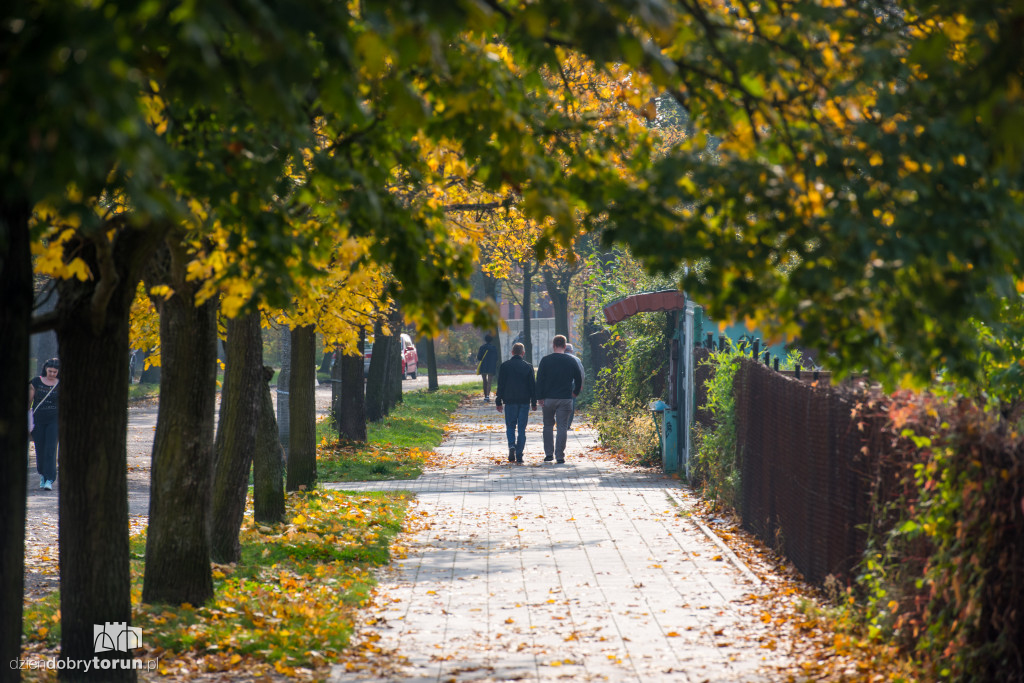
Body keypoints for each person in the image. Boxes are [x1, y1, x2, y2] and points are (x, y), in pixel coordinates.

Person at [535, 335, 582, 464]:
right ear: (565, 346)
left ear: (553, 345)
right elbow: (578, 378)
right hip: (565, 398)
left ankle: (548, 454)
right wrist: (575, 392)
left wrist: (539, 397)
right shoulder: (571, 361)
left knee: (547, 425)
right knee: (562, 426)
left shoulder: (545, 360)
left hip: (548, 398)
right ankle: (560, 455)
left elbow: (539, 380)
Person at [494, 342, 537, 463]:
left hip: (510, 401)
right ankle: (519, 454)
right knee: (522, 428)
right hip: (524, 401)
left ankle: (511, 445)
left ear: (512, 352)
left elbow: (501, 385)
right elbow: (532, 386)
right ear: (523, 353)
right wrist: (534, 402)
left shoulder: (505, 366)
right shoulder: (528, 366)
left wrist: (498, 401)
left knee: (510, 426)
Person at [29, 358, 61, 491]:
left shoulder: (61, 383)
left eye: (55, 372)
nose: (52, 374)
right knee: (40, 448)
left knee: (51, 448)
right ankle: (42, 474)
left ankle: (49, 479)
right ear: (45, 370)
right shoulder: (36, 382)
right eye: (50, 371)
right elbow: (29, 401)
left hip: (55, 420)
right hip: (38, 419)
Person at [564, 343, 586, 430]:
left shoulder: (559, 358)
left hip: (561, 384)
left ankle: (561, 422)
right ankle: (568, 424)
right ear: (571, 351)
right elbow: (581, 373)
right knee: (571, 403)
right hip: (573, 383)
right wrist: (581, 385)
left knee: (560, 402)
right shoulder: (576, 359)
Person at [475, 334, 499, 402]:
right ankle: (488, 396)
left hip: (483, 366)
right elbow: (496, 358)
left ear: (485, 339)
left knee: (484, 381)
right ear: (491, 340)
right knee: (489, 382)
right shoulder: (494, 348)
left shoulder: (482, 347)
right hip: (491, 366)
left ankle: (485, 396)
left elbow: (479, 357)